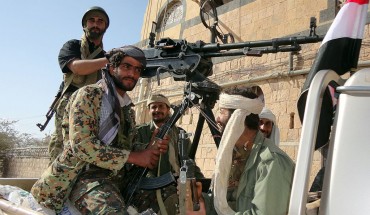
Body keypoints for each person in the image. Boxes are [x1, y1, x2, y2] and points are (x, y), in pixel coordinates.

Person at [31, 46, 169, 214]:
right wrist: (136, 157)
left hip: (115, 177)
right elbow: (83, 146)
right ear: (111, 68)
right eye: (127, 66)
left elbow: (125, 149)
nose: (132, 74)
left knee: (169, 195)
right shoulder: (89, 95)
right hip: (81, 177)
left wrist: (150, 148)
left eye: (137, 69)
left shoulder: (126, 108)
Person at [187, 87, 295, 215]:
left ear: (238, 118)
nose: (217, 119)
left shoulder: (271, 162)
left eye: (222, 112)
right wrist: (204, 201)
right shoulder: (236, 154)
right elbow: (230, 204)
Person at [48, 6, 111, 163]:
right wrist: (111, 60)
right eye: (91, 20)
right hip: (69, 104)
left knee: (85, 153)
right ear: (85, 25)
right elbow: (77, 68)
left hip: (93, 108)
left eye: (100, 21)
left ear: (105, 27)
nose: (95, 24)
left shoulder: (106, 56)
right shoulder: (72, 46)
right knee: (61, 154)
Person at [131, 94, 204, 214]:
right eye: (153, 107)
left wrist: (199, 181)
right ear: (149, 110)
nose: (157, 110)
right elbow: (133, 157)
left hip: (178, 182)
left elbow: (189, 162)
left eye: (161, 106)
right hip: (147, 185)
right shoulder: (139, 132)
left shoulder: (180, 134)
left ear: (168, 109)